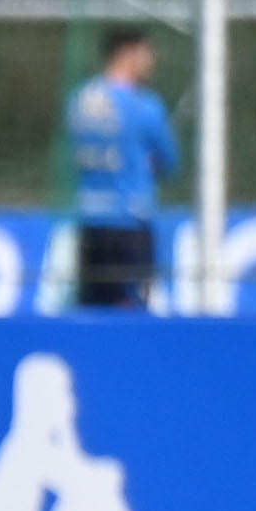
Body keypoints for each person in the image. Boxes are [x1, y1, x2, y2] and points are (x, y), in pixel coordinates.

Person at [66, 28, 180, 309]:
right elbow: (170, 161)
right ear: (128, 53)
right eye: (146, 54)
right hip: (129, 221)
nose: (151, 62)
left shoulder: (80, 100)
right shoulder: (143, 106)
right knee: (129, 308)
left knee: (92, 307)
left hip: (90, 220)